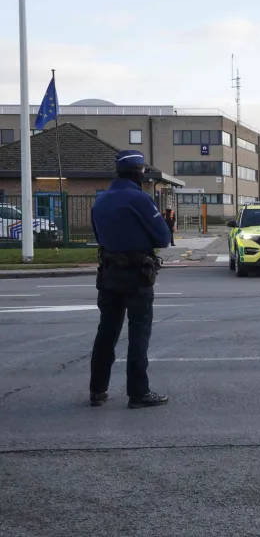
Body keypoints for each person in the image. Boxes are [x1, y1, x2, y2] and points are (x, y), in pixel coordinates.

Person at [88, 150, 172, 409]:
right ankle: (138, 392)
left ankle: (97, 389)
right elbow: (162, 238)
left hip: (109, 272)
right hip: (136, 275)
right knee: (138, 332)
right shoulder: (140, 200)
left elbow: (99, 236)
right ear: (139, 172)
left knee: (107, 331)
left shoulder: (100, 200)